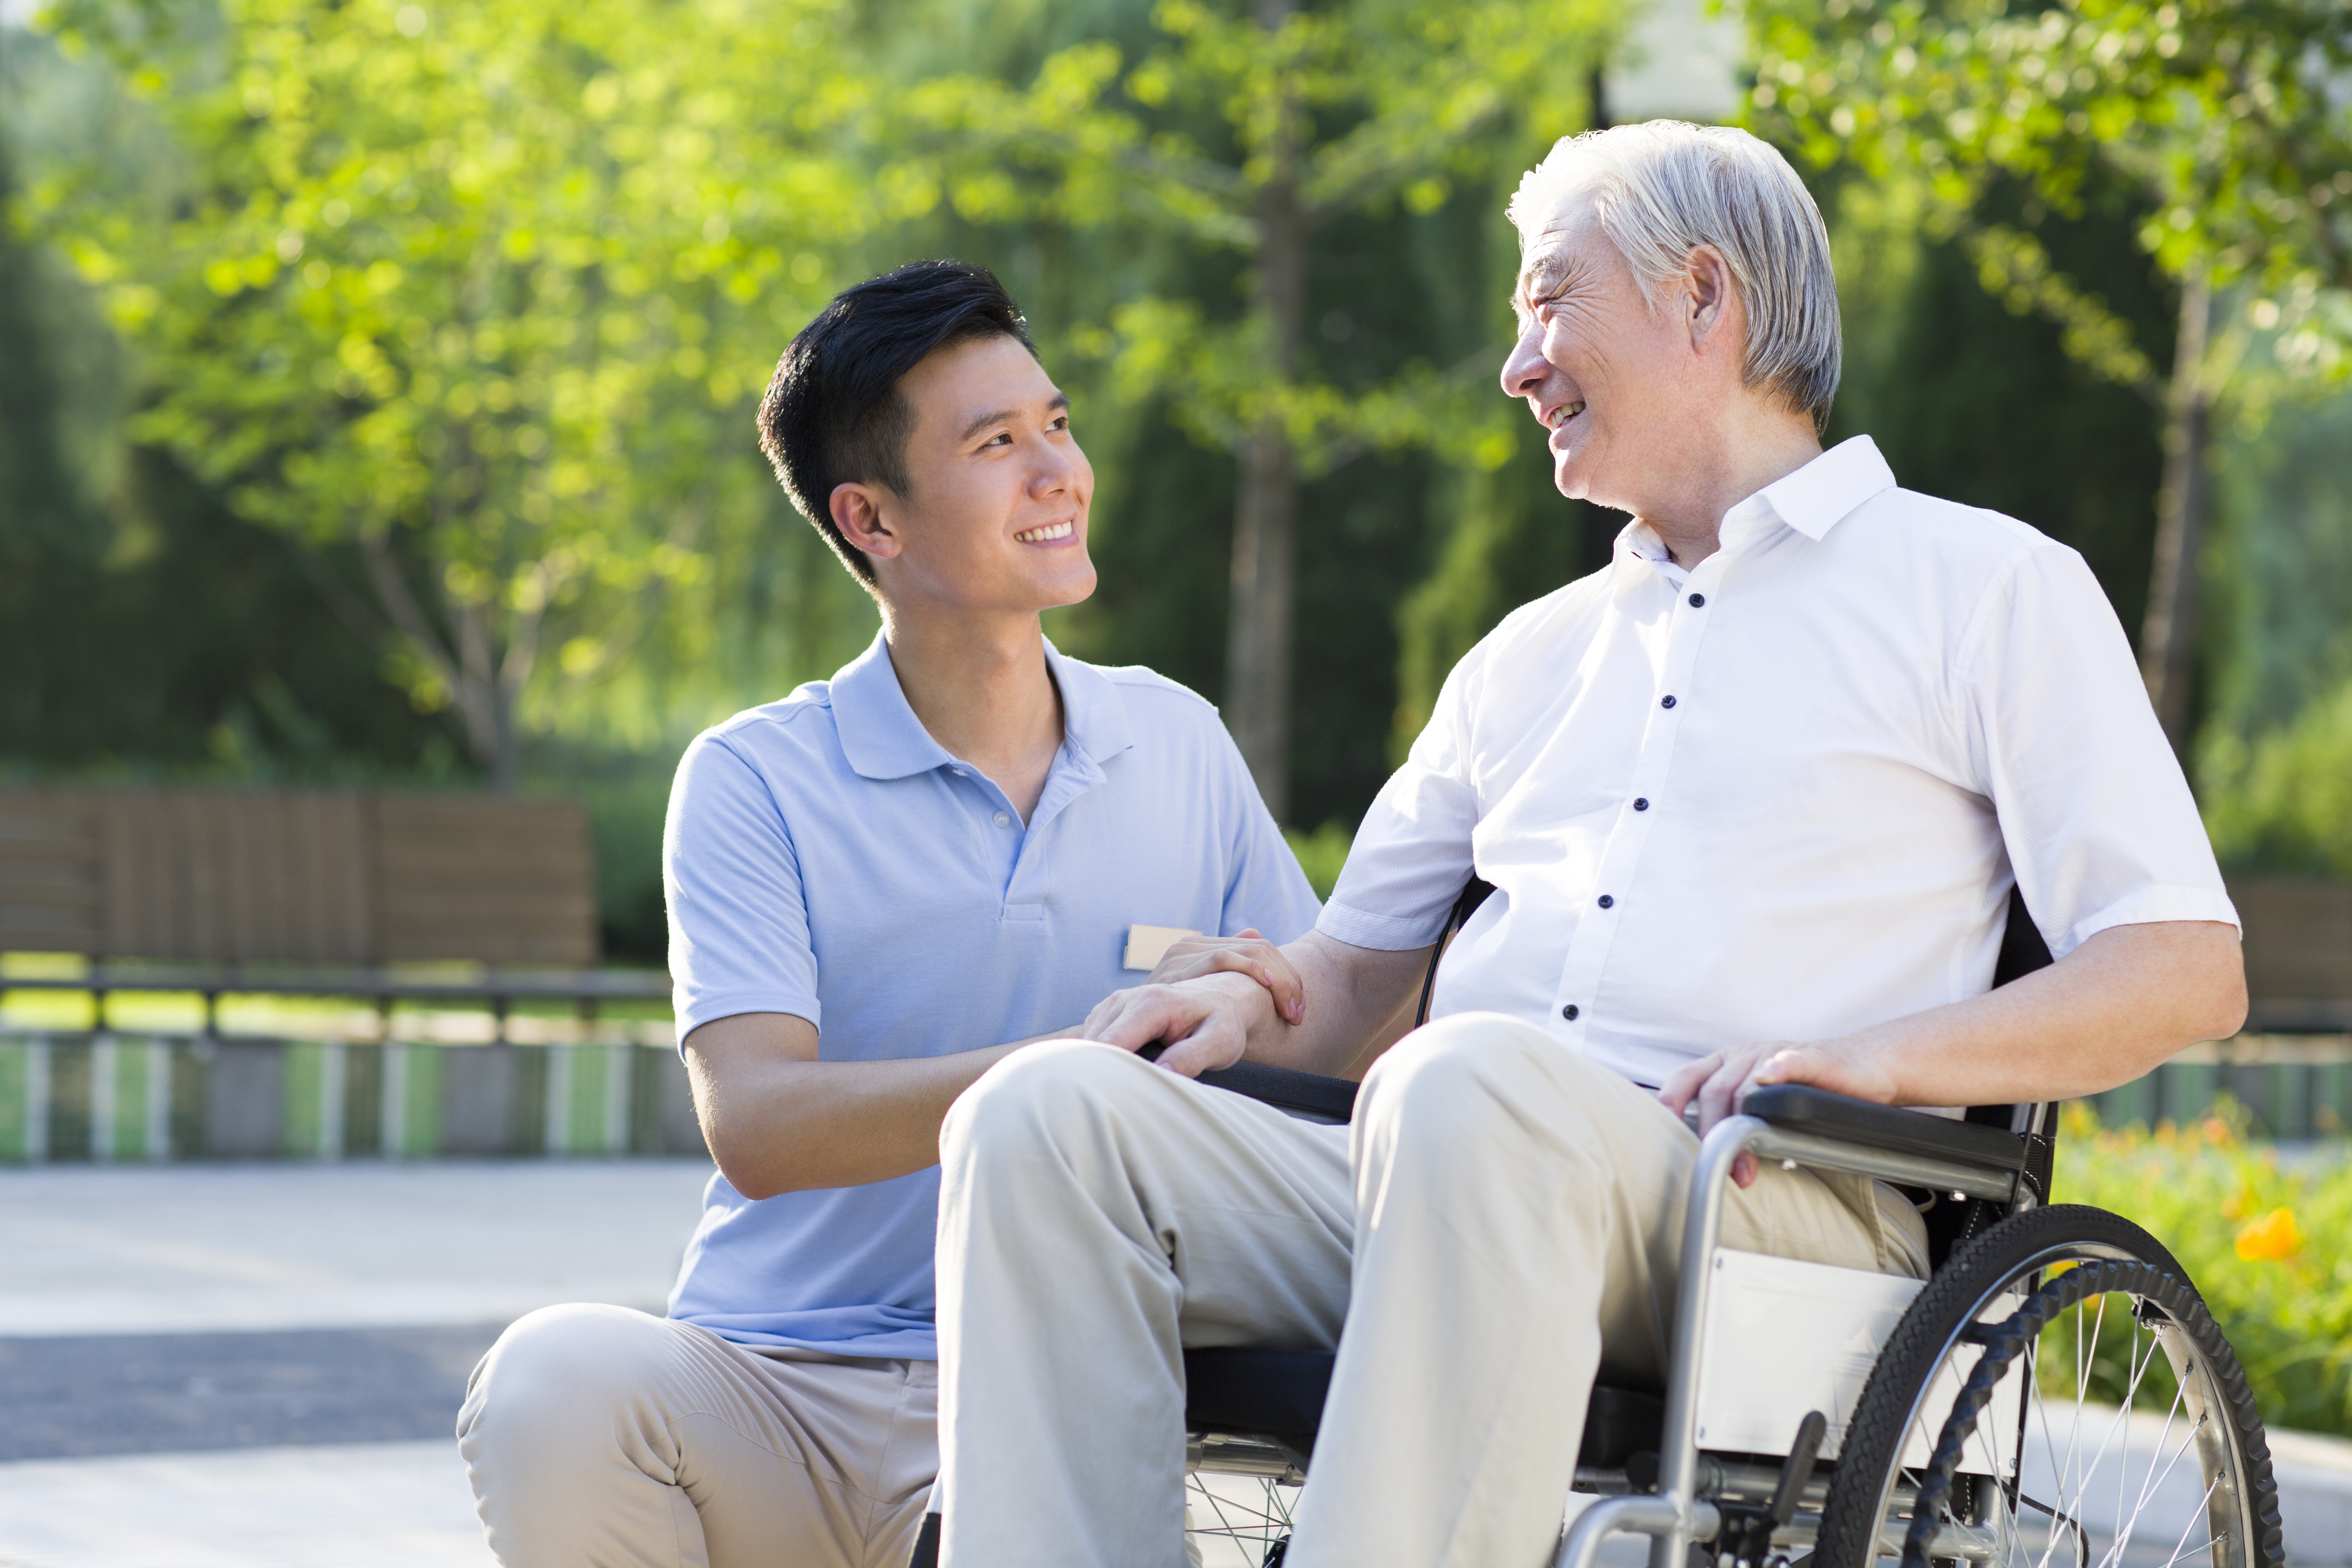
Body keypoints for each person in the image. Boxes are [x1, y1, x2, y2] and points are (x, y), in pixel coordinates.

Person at [929, 122, 2250, 1568]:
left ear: (1703, 298)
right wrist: (1253, 998)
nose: (1517, 364)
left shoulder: (1987, 588)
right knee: (1042, 1120)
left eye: (1551, 300)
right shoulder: (1526, 656)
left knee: (1470, 1086)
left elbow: (2182, 974)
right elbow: (1361, 976)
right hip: (1437, 1162)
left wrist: (1884, 1058)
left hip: (1773, 1198)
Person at [454, 259, 1321, 1568]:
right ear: (874, 519)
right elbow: (756, 1122)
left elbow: (1319, 1036)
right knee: (552, 1383)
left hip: (1063, 1391)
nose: (1059, 473)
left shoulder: (1178, 742)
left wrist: (1244, 1002)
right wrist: (1074, 1078)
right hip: (783, 1390)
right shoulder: (756, 778)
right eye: (996, 444)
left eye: (1058, 425)